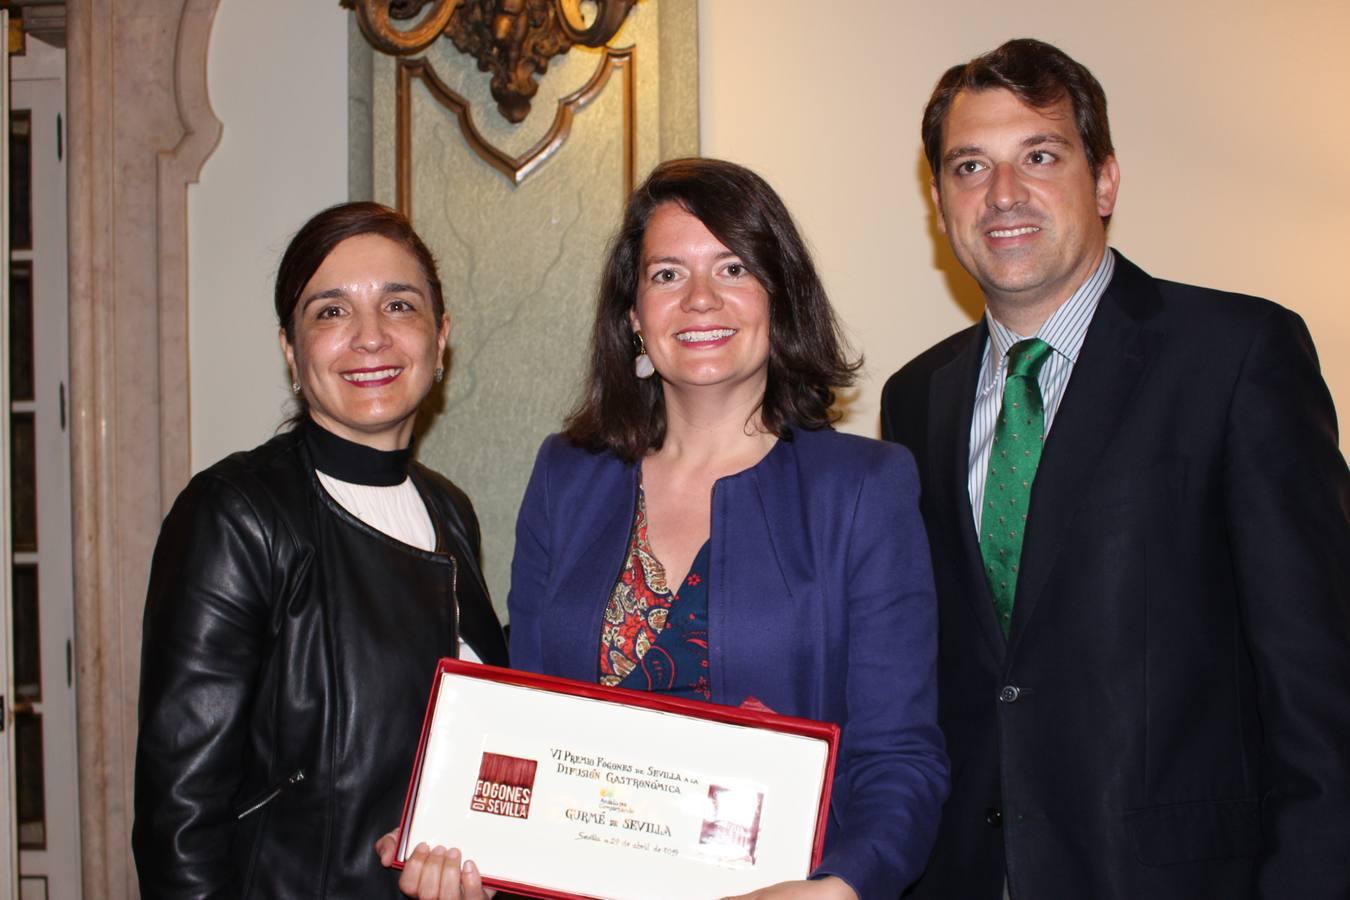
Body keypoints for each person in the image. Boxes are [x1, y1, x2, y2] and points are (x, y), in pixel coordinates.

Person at [388, 157, 948, 899]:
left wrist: (840, 887)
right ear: (632, 316)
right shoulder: (567, 476)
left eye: (734, 267)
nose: (700, 300)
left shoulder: (864, 490)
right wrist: (471, 839)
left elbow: (900, 758)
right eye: (666, 276)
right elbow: (524, 719)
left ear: (779, 298)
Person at [882, 38, 1350, 900]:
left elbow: (1319, 680)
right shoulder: (915, 400)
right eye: (970, 166)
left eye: (1041, 156)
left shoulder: (1237, 356)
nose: (1004, 195)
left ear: (1104, 181)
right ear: (940, 200)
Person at [133, 202, 508, 899]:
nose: (370, 337)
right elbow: (179, 817)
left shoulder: (451, 512)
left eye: (399, 305)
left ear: (440, 336)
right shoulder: (236, 514)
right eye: (331, 312)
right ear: (290, 349)